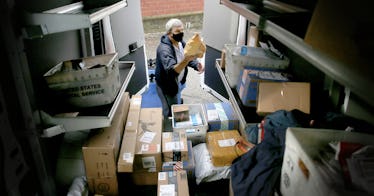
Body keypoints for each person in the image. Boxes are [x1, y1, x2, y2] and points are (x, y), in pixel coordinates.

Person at [155, 18, 204, 118]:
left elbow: (186, 55)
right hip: (167, 85)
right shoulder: (164, 49)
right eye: (177, 31)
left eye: (182, 30)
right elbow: (172, 71)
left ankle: (177, 103)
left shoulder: (180, 42)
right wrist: (186, 60)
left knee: (177, 97)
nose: (181, 33)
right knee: (170, 109)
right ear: (169, 33)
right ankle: (170, 122)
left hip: (178, 82)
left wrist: (195, 64)